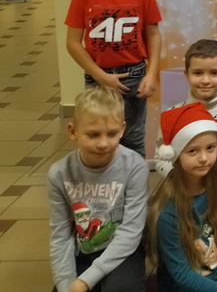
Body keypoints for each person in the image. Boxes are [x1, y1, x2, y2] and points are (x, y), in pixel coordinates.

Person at [65, 0, 162, 157]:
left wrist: (152, 75)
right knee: (100, 135)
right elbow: (73, 43)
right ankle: (104, 177)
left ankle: (134, 180)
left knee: (133, 137)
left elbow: (154, 35)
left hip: (134, 76)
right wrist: (100, 76)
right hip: (97, 77)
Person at [148, 102, 217, 292]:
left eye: (210, 148)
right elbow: (182, 275)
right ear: (176, 154)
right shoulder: (168, 212)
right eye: (193, 151)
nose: (203, 158)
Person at [48, 87, 148, 292]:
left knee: (121, 288)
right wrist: (66, 284)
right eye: (93, 135)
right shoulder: (59, 174)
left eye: (112, 134)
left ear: (122, 129)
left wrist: (85, 281)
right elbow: (60, 236)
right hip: (83, 251)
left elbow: (131, 231)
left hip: (123, 251)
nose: (103, 143)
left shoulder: (135, 166)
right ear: (73, 132)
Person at [154, 40, 217, 195]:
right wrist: (181, 183)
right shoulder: (173, 114)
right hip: (184, 194)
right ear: (186, 74)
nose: (205, 80)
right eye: (198, 73)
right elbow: (161, 158)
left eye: (214, 73)